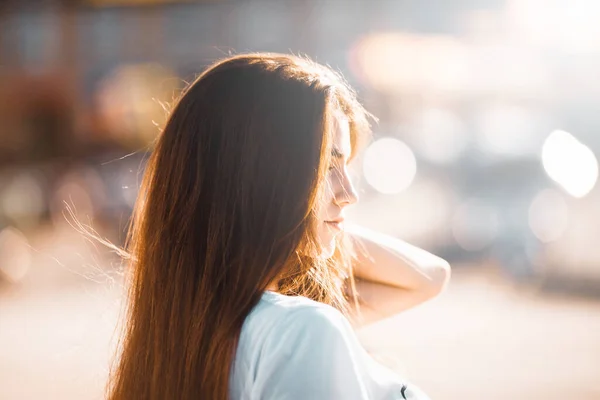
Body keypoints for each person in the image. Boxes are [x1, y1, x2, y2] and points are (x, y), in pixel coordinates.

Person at [105, 53, 450, 400]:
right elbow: (427, 279)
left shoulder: (183, 335)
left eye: (346, 166)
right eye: (326, 166)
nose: (350, 194)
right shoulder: (303, 330)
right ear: (259, 179)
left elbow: (432, 277)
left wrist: (296, 226)